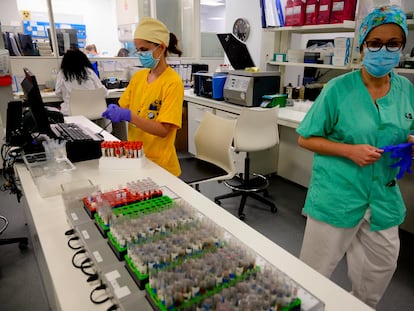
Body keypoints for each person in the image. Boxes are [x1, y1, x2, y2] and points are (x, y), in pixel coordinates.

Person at [296, 5, 414, 308]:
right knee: (312, 275)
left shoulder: (406, 89)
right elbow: (306, 137)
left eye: (393, 44)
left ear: (402, 46)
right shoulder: (338, 88)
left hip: (383, 198)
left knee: (379, 271)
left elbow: (407, 127)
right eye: (375, 43)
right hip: (339, 194)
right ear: (362, 46)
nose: (383, 50)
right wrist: (349, 150)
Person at [102, 17, 184, 176]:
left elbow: (163, 130)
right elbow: (124, 107)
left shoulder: (172, 83)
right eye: (138, 49)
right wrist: (116, 110)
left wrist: (130, 116)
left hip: (161, 166)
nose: (140, 54)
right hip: (136, 158)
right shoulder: (139, 77)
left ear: (161, 47)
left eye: (144, 49)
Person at [55, 49, 108, 116]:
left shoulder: (62, 73)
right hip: (94, 112)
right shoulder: (89, 72)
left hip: (72, 113)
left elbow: (58, 93)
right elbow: (103, 92)